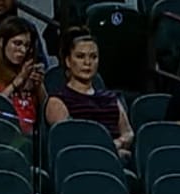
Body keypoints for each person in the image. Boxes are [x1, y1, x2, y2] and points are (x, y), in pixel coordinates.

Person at [42, 27, 130, 159]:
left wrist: (118, 143)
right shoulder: (57, 101)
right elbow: (70, 142)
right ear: (68, 61)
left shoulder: (111, 99)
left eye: (93, 57)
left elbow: (128, 133)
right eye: (80, 56)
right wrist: (110, 149)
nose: (87, 63)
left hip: (116, 161)